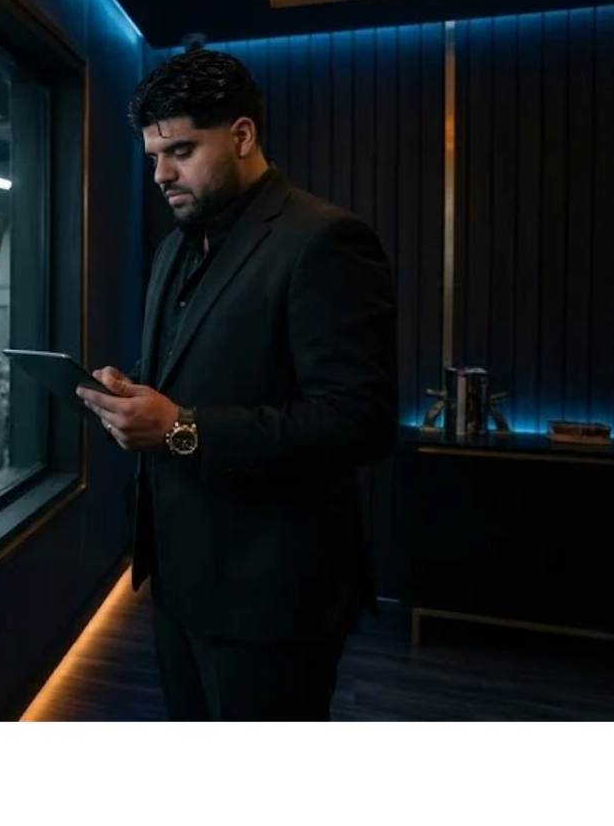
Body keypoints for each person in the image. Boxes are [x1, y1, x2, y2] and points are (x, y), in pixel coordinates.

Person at [77, 47, 397, 723]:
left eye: (181, 150)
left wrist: (179, 427)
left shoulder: (325, 239)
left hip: (273, 598)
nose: (161, 173)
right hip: (180, 583)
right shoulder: (173, 246)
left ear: (243, 136)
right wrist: (134, 398)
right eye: (152, 156)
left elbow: (358, 421)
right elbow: (196, 381)